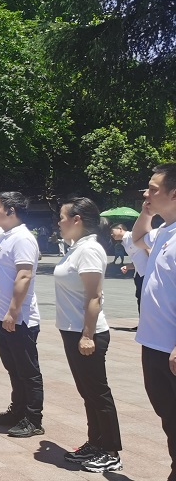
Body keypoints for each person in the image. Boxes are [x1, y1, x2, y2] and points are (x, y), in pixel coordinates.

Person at [54, 198, 123, 472]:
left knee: (98, 392)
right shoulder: (77, 248)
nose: (59, 222)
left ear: (77, 219)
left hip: (87, 334)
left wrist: (87, 335)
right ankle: (96, 442)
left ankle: (111, 452)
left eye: (62, 217)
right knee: (88, 393)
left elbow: (94, 296)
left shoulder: (90, 249)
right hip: (72, 331)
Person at [0, 191, 45, 438]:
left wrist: (13, 311)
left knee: (28, 372)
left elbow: (24, 275)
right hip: (1, 317)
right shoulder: (5, 234)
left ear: (12, 211)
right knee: (14, 369)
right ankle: (17, 411)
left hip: (18, 319)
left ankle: (33, 418)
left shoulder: (22, 238)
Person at [131, 163, 176, 481]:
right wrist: (147, 211)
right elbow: (137, 238)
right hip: (154, 343)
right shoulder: (163, 232)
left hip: (171, 347)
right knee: (168, 415)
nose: (146, 193)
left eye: (153, 189)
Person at [112, 223, 148, 315]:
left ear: (120, 229)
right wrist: (128, 267)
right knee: (140, 298)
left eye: (112, 231)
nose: (111, 234)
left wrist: (153, 265)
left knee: (146, 299)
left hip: (146, 272)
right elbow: (137, 258)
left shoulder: (133, 235)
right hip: (139, 273)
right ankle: (142, 320)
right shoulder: (124, 243)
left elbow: (147, 248)